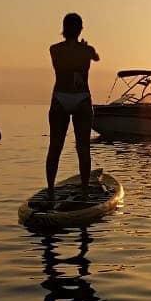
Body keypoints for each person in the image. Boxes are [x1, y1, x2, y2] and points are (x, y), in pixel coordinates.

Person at [46, 12, 100, 203]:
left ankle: (51, 189)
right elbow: (97, 57)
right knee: (83, 147)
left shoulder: (54, 49)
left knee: (55, 146)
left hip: (60, 97)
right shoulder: (87, 50)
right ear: (80, 30)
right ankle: (85, 189)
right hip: (81, 98)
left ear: (63, 29)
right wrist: (86, 49)